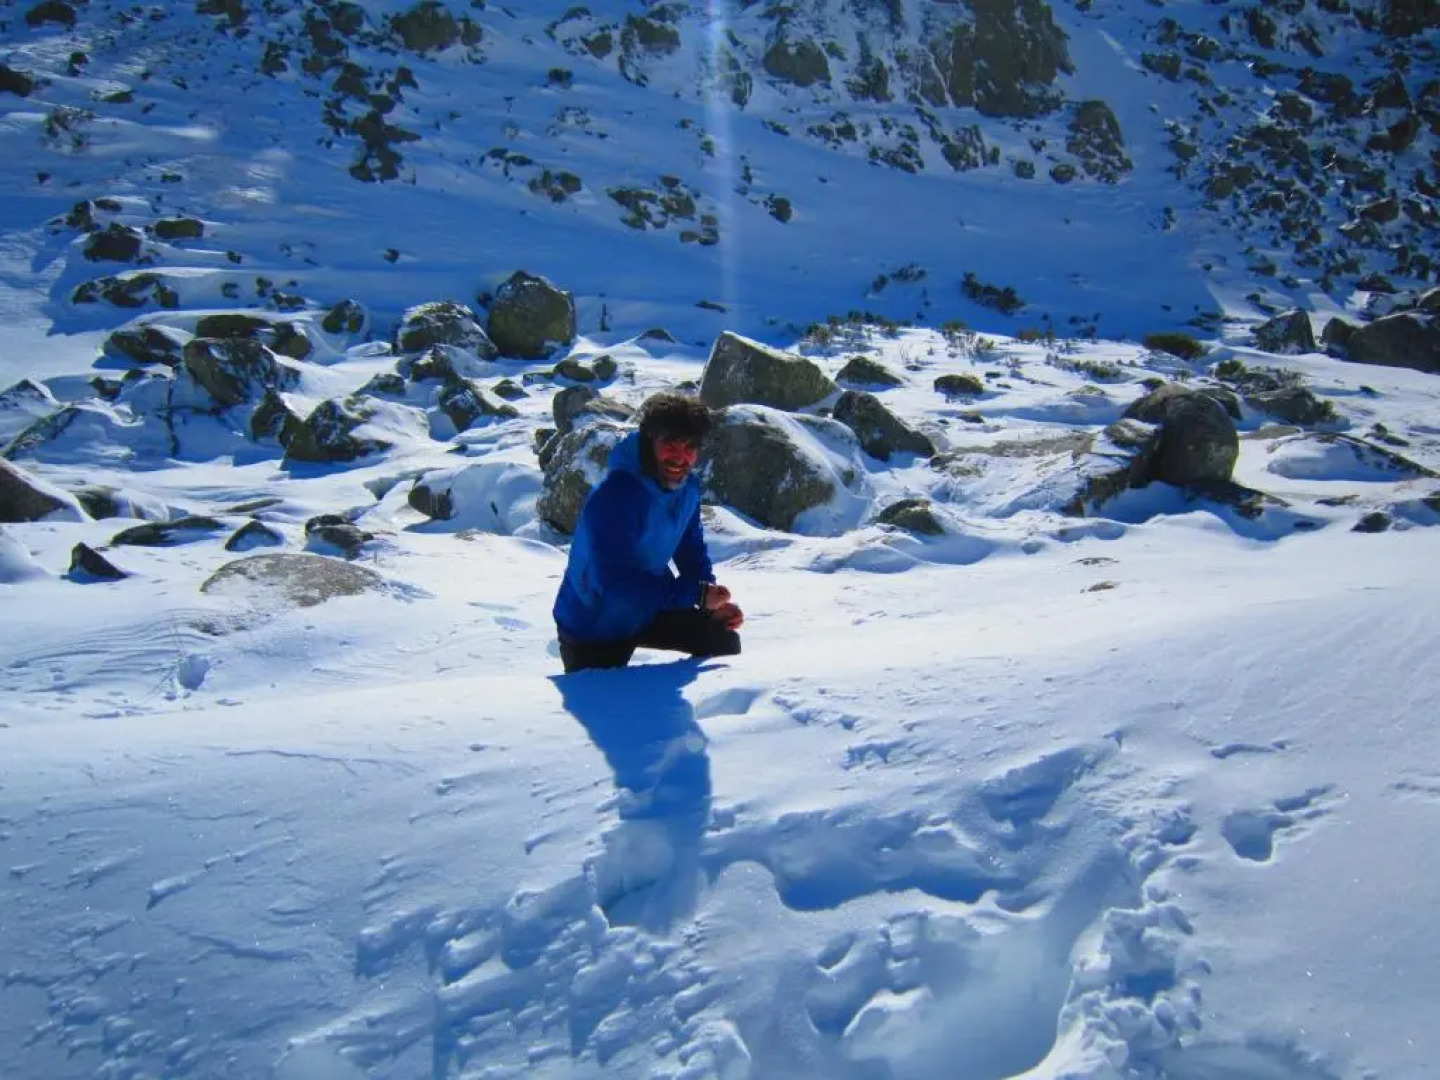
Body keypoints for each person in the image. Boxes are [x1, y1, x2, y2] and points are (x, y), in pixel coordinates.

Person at [553, 392, 743, 673]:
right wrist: (695, 595)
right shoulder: (617, 495)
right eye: (670, 445)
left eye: (690, 447)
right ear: (649, 442)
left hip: (647, 607)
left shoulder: (686, 488)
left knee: (721, 640)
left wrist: (709, 602)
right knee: (610, 706)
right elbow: (615, 584)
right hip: (595, 622)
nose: (680, 458)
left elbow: (691, 550)